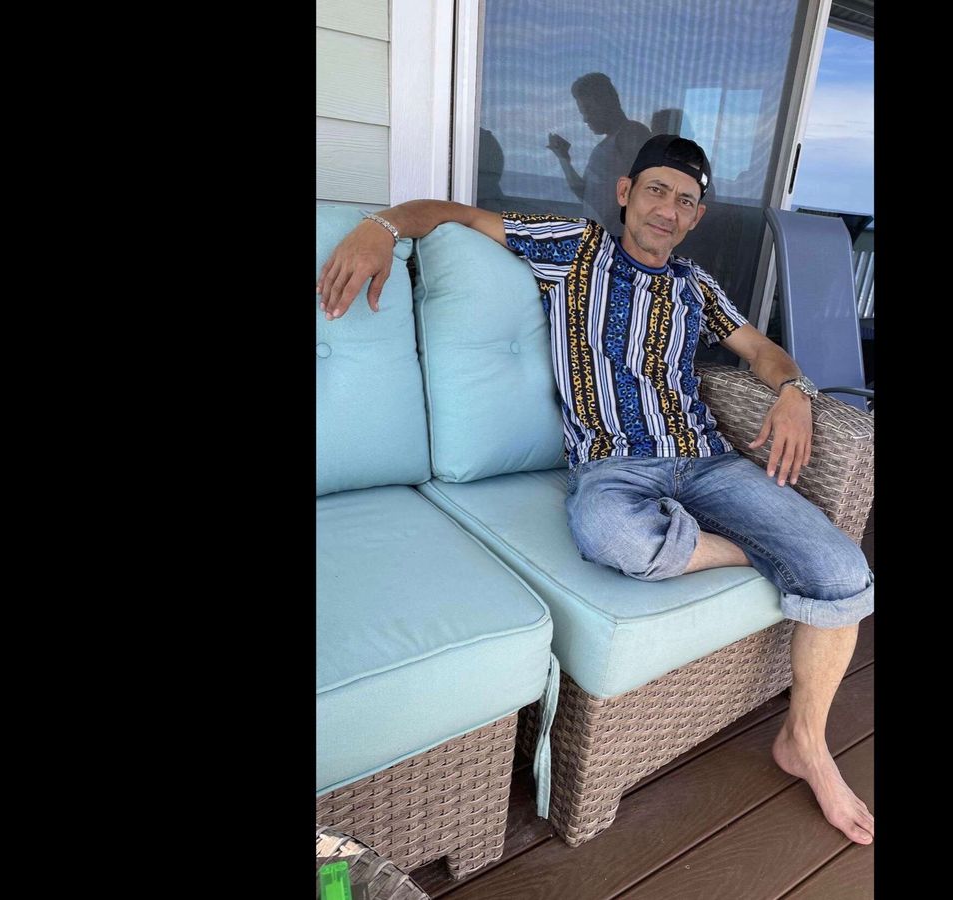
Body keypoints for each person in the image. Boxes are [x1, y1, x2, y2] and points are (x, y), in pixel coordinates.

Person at [316, 135, 875, 846]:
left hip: (709, 461)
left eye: (685, 201)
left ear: (696, 217)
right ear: (625, 192)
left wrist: (795, 390)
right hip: (615, 469)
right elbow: (448, 213)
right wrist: (383, 225)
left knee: (842, 569)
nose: (667, 210)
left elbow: (760, 350)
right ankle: (756, 551)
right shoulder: (573, 247)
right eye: (656, 190)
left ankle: (805, 743)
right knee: (610, 534)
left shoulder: (695, 285)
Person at [546, 73, 650, 232]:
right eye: (582, 112)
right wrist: (563, 158)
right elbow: (584, 193)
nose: (585, 119)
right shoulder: (605, 145)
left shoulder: (631, 133)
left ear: (608, 101)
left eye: (588, 109)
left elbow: (642, 192)